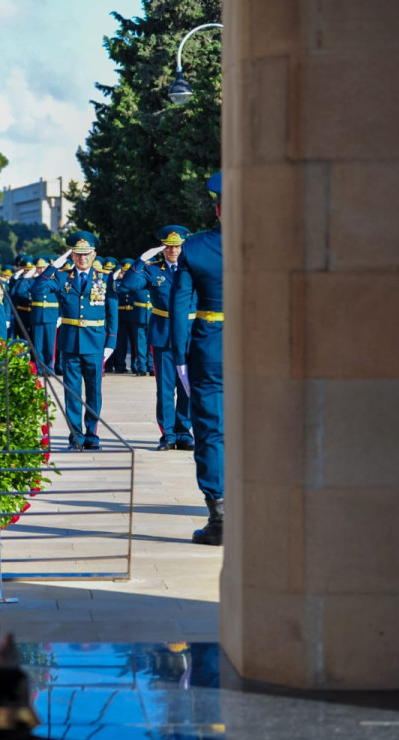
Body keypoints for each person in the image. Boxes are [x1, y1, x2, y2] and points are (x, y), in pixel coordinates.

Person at [173, 172, 224, 546]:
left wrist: (179, 356)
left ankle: (220, 517)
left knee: (210, 430)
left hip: (211, 350)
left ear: (219, 209)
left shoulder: (195, 248)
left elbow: (179, 309)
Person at [33, 231, 116, 450]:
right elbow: (38, 288)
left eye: (86, 253)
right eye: (77, 254)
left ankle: (92, 434)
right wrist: (54, 265)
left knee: (94, 390)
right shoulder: (61, 278)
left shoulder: (105, 278)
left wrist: (111, 342)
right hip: (70, 341)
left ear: (94, 254)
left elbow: (112, 312)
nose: (82, 258)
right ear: (71, 256)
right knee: (71, 391)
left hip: (96, 342)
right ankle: (76, 435)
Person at [119, 226, 194, 451]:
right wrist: (141, 260)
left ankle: (184, 432)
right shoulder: (153, 270)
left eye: (177, 246)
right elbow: (128, 285)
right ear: (162, 248)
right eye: (169, 247)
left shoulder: (193, 269)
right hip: (163, 335)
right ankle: (168, 434)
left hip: (190, 335)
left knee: (187, 386)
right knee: (165, 388)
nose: (173, 250)